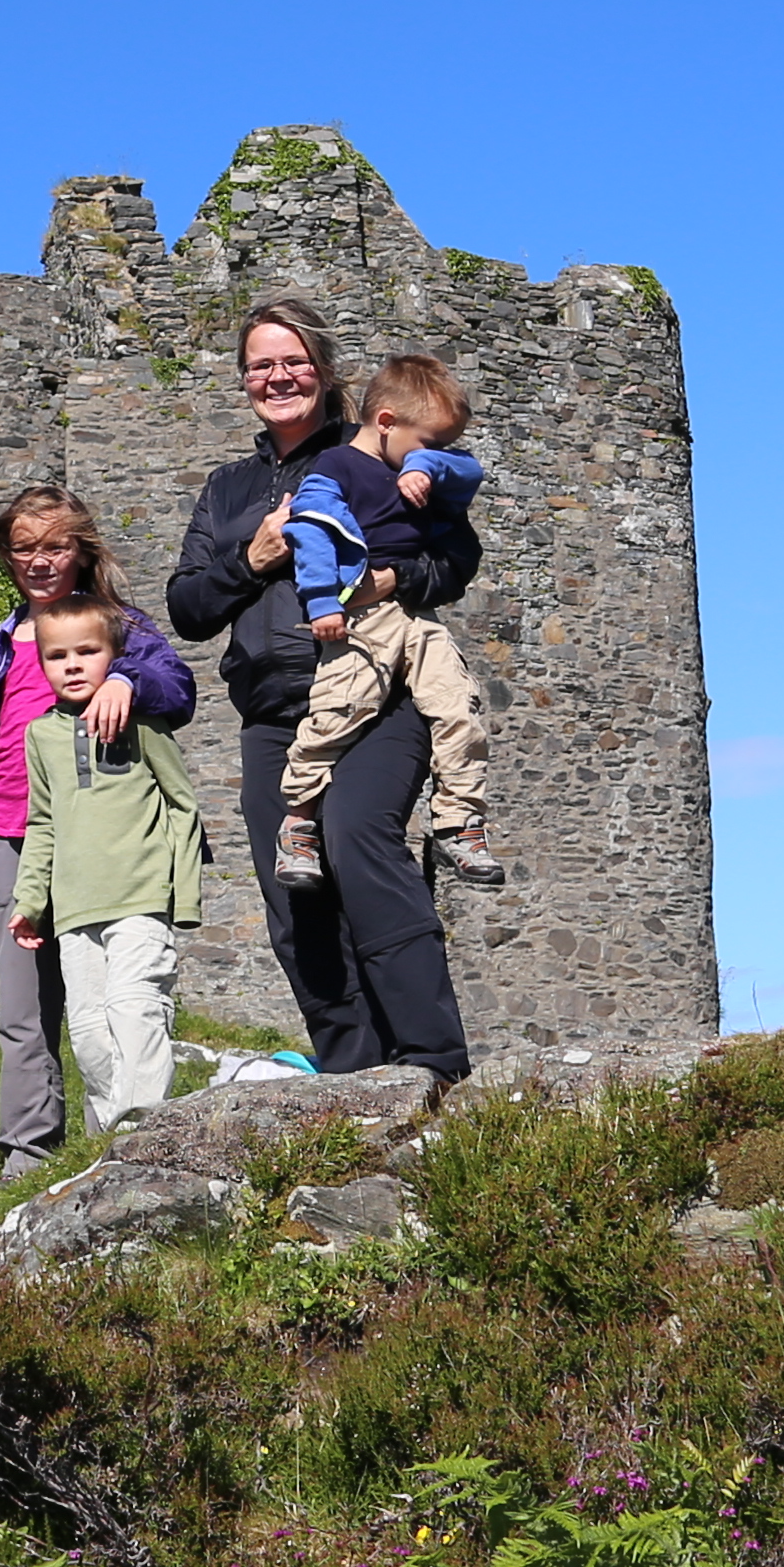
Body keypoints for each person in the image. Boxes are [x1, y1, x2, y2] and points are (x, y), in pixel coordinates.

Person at [162, 302, 477, 1081]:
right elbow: (188, 607)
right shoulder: (229, 489)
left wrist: (392, 576)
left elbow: (455, 562)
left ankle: (432, 1060)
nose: (278, 377)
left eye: (294, 360)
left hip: (373, 691)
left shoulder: (379, 454)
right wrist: (255, 560)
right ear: (243, 382)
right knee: (293, 899)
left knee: (358, 841)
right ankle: (354, 1075)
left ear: (326, 371)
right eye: (261, 365)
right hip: (272, 711)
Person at [0, 486, 199, 1181]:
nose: (40, 560)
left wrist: (129, 681)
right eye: (24, 548)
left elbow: (178, 685)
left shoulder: (120, 627)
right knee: (24, 1012)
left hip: (97, 846)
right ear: (6, 557)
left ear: (82, 549)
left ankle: (107, 1145)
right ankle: (28, 1155)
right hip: (12, 840)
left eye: (55, 545)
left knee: (106, 1002)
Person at [274, 351, 502, 892]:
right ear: (385, 424)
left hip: (416, 616)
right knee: (337, 715)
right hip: (362, 616)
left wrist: (426, 464)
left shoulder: (421, 465)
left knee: (459, 706)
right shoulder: (335, 469)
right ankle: (298, 822)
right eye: (430, 444)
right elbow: (309, 532)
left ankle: (458, 823)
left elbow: (470, 470)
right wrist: (323, 603)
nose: (440, 455)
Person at [1, 594, 214, 1134]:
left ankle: (140, 1130)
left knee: (134, 1005)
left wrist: (183, 897)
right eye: (57, 656)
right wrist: (30, 902)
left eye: (87, 651)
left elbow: (182, 805)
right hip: (74, 912)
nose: (72, 665)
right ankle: (115, 1133)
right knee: (90, 1029)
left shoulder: (143, 722)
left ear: (115, 654)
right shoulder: (40, 735)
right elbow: (42, 823)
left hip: (142, 899)